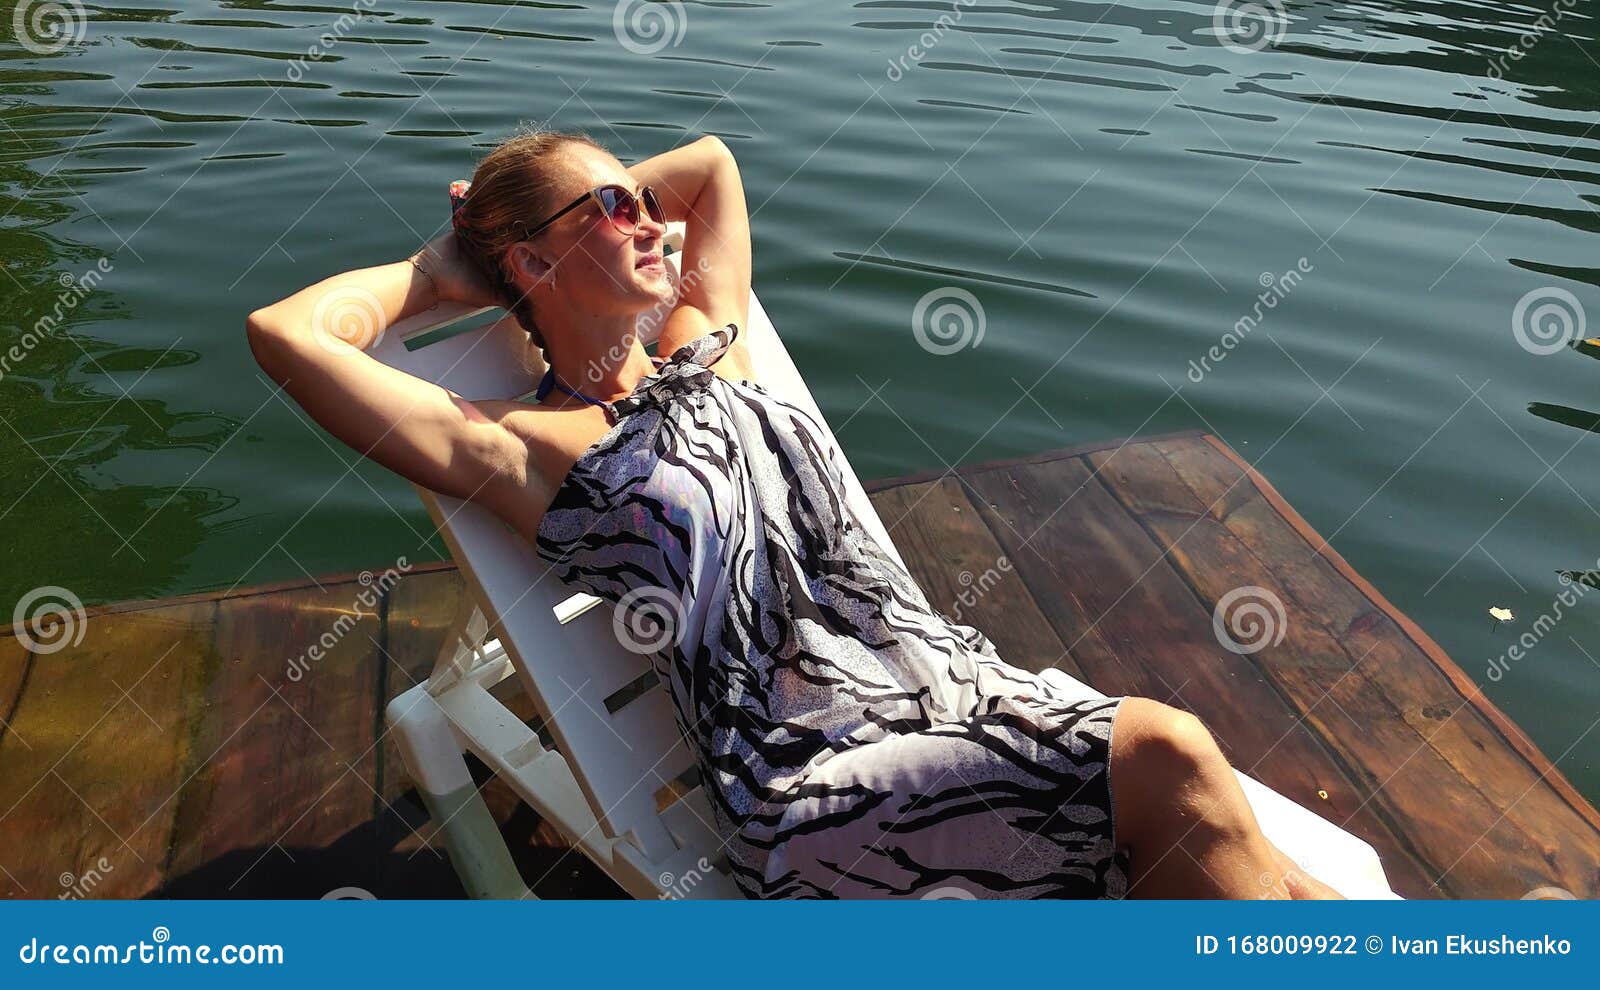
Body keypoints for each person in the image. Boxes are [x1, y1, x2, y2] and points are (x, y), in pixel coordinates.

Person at [246, 127, 1339, 900]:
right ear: (534, 260)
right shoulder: (529, 450)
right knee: (1165, 754)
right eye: (612, 208)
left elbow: (712, 165)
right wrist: (442, 273)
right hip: (818, 791)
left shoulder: (704, 344)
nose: (646, 217)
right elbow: (286, 337)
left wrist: (573, 210)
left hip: (960, 700)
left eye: (636, 196)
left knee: (1284, 891)